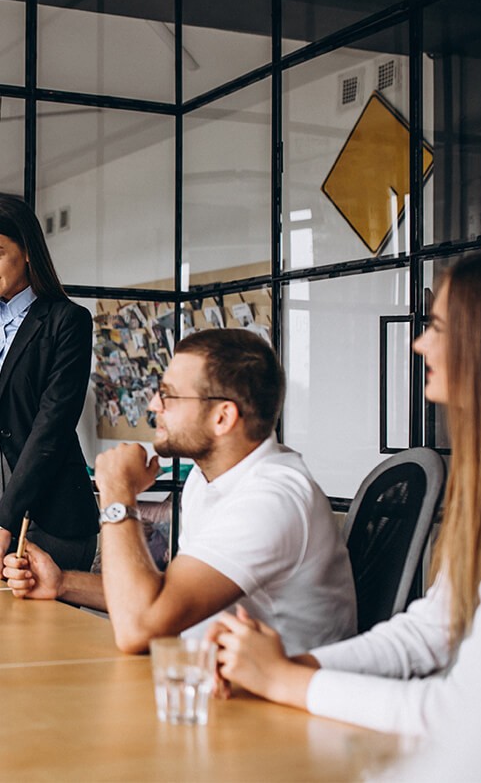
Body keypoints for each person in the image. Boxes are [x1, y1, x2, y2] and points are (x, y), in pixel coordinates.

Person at [210, 250, 481, 740]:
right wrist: (286, 667)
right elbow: (428, 632)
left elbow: (465, 718)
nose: (419, 343)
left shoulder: (276, 490)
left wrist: (284, 679)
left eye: (440, 328)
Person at [3, 328, 356, 655]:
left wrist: (117, 494)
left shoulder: (271, 499)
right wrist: (62, 583)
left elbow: (138, 628)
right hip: (211, 684)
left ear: (223, 417)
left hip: (273, 709)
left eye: (169, 395)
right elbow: (164, 597)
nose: (154, 406)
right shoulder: (207, 480)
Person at [0, 194, 98, 570]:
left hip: (50, 516)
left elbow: (51, 428)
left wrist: (4, 520)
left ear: (27, 252)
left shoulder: (67, 322)